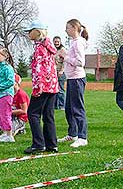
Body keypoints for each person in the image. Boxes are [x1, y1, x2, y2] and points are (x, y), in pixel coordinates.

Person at [24, 21, 59, 154]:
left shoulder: (39, 48)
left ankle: (38, 144)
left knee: (32, 113)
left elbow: (39, 70)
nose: (28, 33)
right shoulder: (48, 46)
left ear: (37, 32)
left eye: (29, 31)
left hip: (42, 86)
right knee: (48, 115)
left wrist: (37, 88)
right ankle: (52, 144)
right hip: (53, 86)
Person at [57, 19, 89, 147]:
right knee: (69, 108)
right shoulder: (73, 42)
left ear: (75, 28)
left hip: (77, 79)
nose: (66, 30)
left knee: (77, 108)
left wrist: (66, 57)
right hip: (71, 79)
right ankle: (73, 134)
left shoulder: (78, 43)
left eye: (68, 28)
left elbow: (81, 62)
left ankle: (82, 137)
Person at [0, 47, 15, 143]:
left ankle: (9, 135)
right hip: (0, 95)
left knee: (5, 114)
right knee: (0, 115)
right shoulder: (0, 67)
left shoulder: (8, 68)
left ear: (5, 56)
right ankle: (5, 133)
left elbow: (10, 81)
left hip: (6, 94)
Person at [53, 36, 67, 110]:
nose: (56, 43)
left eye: (58, 41)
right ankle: (55, 105)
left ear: (60, 42)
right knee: (54, 89)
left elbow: (65, 61)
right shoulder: (54, 50)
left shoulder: (62, 50)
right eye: (55, 42)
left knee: (61, 90)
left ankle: (62, 106)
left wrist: (62, 71)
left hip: (60, 72)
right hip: (54, 72)